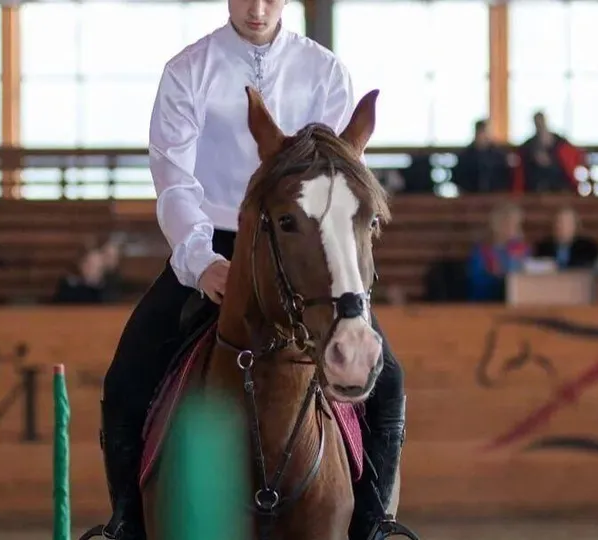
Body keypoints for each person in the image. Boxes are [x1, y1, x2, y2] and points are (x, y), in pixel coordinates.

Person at [94, 2, 407, 539]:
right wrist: (201, 262)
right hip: (212, 246)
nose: (257, 8)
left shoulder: (325, 71)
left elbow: (331, 187)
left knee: (388, 379)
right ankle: (127, 522)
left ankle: (374, 522)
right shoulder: (188, 70)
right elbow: (174, 180)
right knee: (128, 374)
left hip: (302, 248)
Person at [466, 202, 530, 302]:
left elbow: (529, 275)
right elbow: (476, 281)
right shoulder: (482, 250)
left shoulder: (522, 249)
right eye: (508, 224)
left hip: (517, 301)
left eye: (516, 225)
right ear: (496, 225)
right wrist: (500, 279)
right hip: (486, 302)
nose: (513, 229)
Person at [532, 206, 598, 269]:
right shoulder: (543, 247)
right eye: (560, 222)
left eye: (568, 223)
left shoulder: (588, 247)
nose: (563, 227)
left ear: (576, 226)